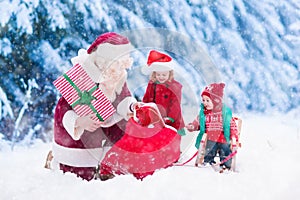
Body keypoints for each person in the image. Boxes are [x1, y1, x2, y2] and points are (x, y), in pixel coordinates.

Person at [51, 32, 137, 181]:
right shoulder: (80, 78)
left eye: (119, 65)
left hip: (106, 129)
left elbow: (123, 98)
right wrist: (79, 121)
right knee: (80, 175)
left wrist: (131, 107)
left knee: (124, 130)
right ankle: (62, 163)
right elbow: (62, 108)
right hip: (82, 135)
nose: (115, 71)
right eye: (113, 65)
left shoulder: (117, 77)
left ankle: (112, 163)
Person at [99, 102, 181, 180]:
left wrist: (104, 170)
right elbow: (174, 153)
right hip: (156, 181)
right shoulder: (168, 134)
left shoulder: (130, 137)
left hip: (133, 182)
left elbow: (111, 156)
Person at [185, 82, 238, 170]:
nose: (205, 103)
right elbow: (197, 122)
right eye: (203, 100)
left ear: (216, 101)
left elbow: (232, 125)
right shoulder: (204, 114)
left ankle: (226, 164)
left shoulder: (224, 113)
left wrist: (234, 136)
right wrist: (192, 126)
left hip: (223, 137)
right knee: (209, 148)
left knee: (225, 149)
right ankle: (208, 162)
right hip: (210, 137)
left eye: (208, 100)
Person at [141, 50, 185, 136]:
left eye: (164, 75)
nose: (161, 77)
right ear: (154, 74)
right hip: (155, 117)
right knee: (156, 138)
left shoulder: (175, 87)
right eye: (158, 74)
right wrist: (144, 110)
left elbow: (175, 105)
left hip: (171, 119)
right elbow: (147, 98)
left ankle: (174, 149)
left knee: (171, 137)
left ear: (170, 73)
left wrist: (170, 118)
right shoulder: (152, 84)